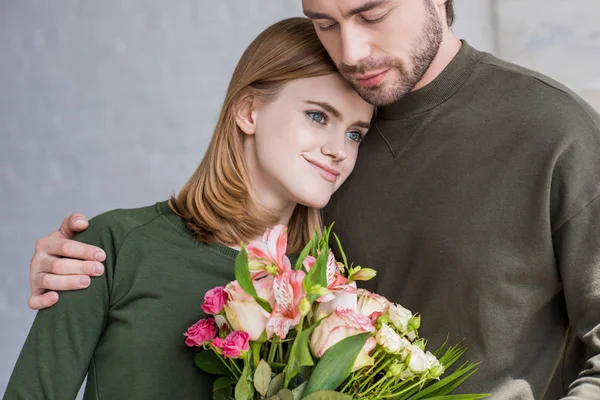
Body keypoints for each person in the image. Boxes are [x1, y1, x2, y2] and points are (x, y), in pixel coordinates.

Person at [24, 0, 600, 399]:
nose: (350, 50)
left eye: (371, 13)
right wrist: (90, 259)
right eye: (323, 21)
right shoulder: (304, 190)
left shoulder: (553, 131)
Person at [5, 17, 373, 399]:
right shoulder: (111, 247)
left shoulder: (331, 296)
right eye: (318, 116)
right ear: (249, 111)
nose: (339, 150)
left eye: (355, 134)